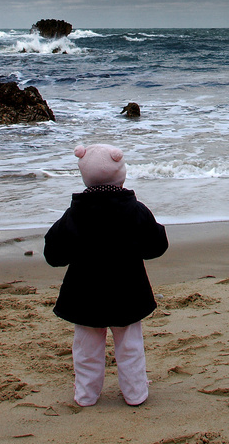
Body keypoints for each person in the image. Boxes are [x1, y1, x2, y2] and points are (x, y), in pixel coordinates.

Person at [44, 142, 168, 407]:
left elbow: (53, 252)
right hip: (128, 291)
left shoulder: (75, 213)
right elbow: (157, 245)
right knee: (130, 347)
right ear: (120, 174)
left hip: (84, 293)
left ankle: (86, 395)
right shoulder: (134, 210)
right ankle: (135, 393)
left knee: (86, 349)